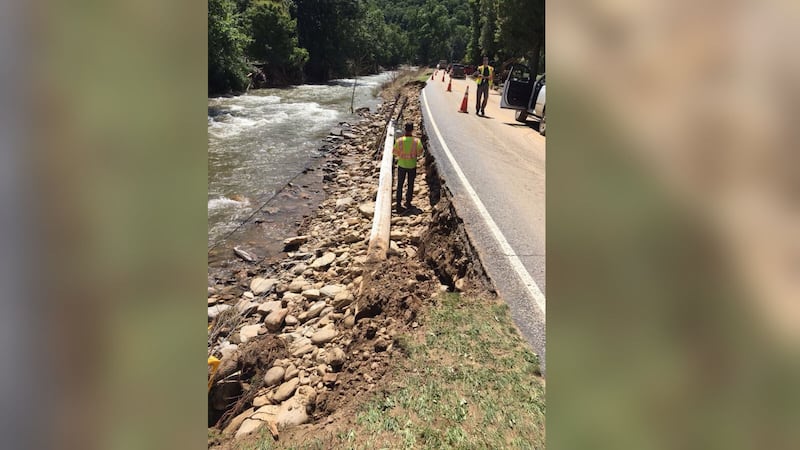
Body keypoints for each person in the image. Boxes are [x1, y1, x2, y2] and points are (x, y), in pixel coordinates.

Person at [393, 122, 424, 213]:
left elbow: (394, 152)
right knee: (410, 185)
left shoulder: (399, 140)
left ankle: (398, 205)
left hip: (402, 165)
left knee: (400, 185)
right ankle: (408, 203)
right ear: (412, 130)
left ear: (404, 129)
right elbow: (420, 152)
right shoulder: (416, 141)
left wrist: (402, 155)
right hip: (412, 166)